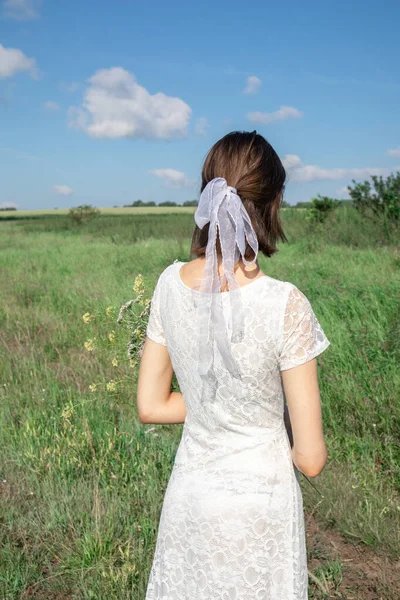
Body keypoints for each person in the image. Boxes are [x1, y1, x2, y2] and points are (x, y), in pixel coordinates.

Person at [137, 130, 331, 599]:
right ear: (273, 202)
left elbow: (151, 406)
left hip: (190, 502)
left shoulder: (167, 284)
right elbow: (310, 459)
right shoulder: (285, 303)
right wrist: (259, 415)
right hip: (260, 512)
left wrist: (212, 407)